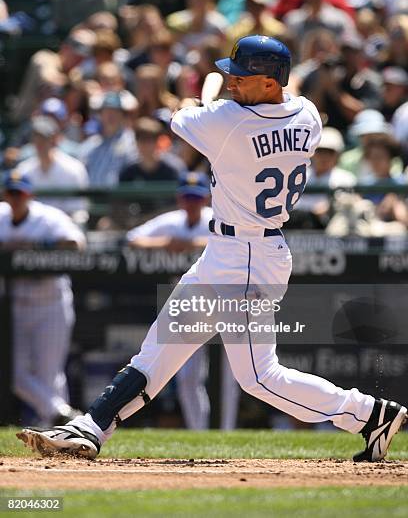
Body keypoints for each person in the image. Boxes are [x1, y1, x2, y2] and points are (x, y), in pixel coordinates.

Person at [17, 35, 407, 462]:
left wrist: (199, 99)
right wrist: (223, 101)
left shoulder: (227, 121)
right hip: (232, 253)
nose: (232, 82)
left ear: (272, 82)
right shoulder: (308, 115)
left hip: (245, 258)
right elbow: (258, 112)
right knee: (160, 349)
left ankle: (369, 414)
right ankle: (90, 429)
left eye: (243, 77)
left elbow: (180, 118)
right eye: (230, 75)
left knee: (260, 378)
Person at [126, 171, 239, 430]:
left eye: (196, 198)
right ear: (179, 199)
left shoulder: (215, 218)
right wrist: (165, 243)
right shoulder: (171, 222)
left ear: (206, 199)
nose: (191, 204)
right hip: (189, 304)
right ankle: (199, 431)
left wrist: (192, 243)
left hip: (224, 299)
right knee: (188, 376)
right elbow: (132, 238)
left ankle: (226, 430)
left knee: (229, 374)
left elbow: (236, 240)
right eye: (187, 198)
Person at [0, 171, 86, 426]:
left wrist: (37, 248)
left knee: (50, 374)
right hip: (14, 306)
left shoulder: (48, 217)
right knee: (12, 372)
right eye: (12, 193)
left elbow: (76, 243)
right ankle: (62, 415)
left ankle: (56, 429)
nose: (16, 199)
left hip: (50, 304)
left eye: (21, 194)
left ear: (30, 195)